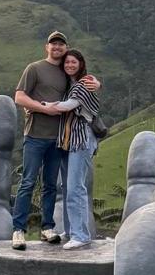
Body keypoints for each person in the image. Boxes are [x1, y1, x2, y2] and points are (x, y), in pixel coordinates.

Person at [12, 31, 98, 250]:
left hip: (60, 140)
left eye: (61, 45)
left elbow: (83, 86)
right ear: (46, 47)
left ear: (66, 48)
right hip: (35, 135)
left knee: (51, 185)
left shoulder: (65, 73)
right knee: (28, 182)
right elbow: (19, 97)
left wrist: (97, 83)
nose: (57, 48)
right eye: (53, 44)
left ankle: (47, 227)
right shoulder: (34, 68)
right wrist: (42, 108)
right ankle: (18, 230)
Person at [40, 48, 102, 250]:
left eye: (73, 62)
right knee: (67, 187)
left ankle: (81, 235)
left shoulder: (85, 83)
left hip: (81, 139)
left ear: (81, 63)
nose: (69, 65)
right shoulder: (72, 84)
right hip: (69, 139)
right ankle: (71, 229)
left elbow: (70, 105)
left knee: (76, 188)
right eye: (67, 62)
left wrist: (45, 106)